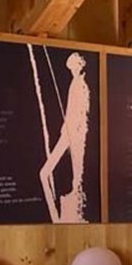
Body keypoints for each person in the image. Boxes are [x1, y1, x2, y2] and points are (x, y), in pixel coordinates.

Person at [40, 51, 91, 223]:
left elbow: (81, 114)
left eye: (74, 66)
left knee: (46, 173)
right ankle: (56, 218)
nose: (72, 70)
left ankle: (60, 215)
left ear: (79, 66)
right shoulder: (77, 84)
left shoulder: (80, 85)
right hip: (69, 132)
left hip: (72, 134)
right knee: (44, 173)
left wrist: (72, 131)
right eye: (71, 68)